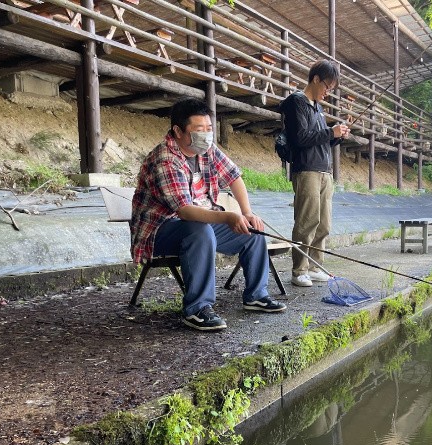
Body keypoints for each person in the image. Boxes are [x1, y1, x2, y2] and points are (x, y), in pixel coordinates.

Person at [131, 98, 286, 331]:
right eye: (199, 130)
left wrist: (246, 213)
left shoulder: (206, 150)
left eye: (209, 129)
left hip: (200, 224)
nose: (206, 135)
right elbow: (184, 211)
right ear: (178, 131)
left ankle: (256, 295)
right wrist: (227, 217)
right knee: (200, 231)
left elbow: (234, 176)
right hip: (160, 232)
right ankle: (197, 309)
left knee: (252, 229)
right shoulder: (165, 159)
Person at [278, 60, 350, 287]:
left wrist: (336, 136)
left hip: (324, 171)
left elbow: (321, 142)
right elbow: (300, 138)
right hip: (306, 170)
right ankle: (299, 270)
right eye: (327, 87)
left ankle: (315, 265)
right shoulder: (295, 103)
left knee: (323, 224)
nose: (328, 92)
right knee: (306, 222)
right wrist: (330, 131)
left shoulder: (318, 108)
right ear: (316, 79)